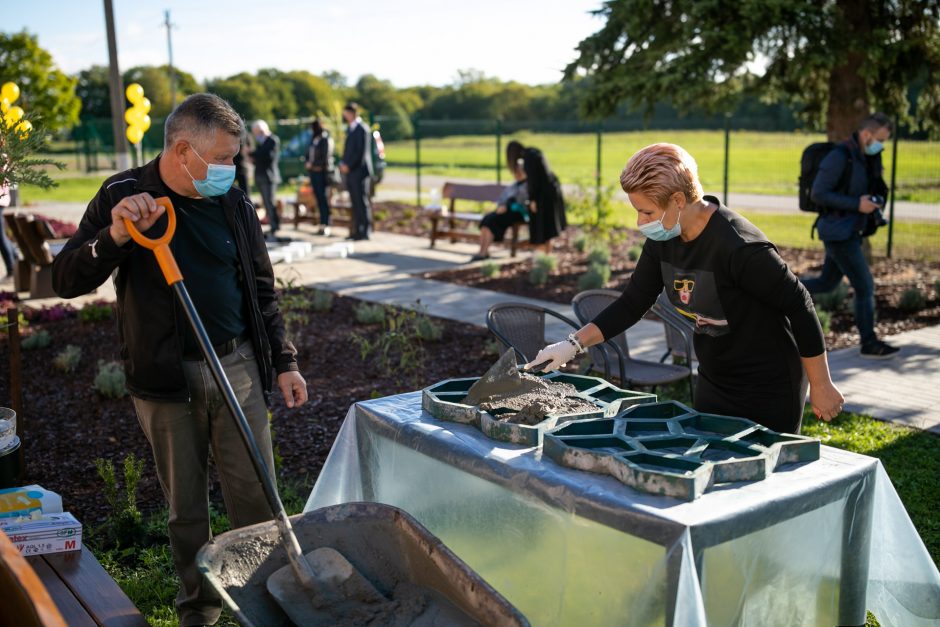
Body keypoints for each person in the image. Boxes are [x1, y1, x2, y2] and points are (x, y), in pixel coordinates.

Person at [51, 93, 308, 627]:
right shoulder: (124, 194)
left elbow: (260, 286)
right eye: (222, 159)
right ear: (183, 150)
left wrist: (284, 360)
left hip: (235, 366)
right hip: (164, 380)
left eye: (235, 158)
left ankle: (262, 604)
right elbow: (67, 277)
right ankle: (201, 608)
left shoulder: (233, 201)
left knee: (256, 499)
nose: (230, 169)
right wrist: (116, 236)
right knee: (186, 511)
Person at [525, 143, 844, 434]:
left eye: (647, 212)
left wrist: (822, 383)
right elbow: (633, 302)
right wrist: (572, 344)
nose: (640, 222)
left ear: (678, 201)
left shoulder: (738, 246)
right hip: (715, 377)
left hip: (768, 383)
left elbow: (799, 303)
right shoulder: (663, 240)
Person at [800, 113, 898, 359]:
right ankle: (869, 343)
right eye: (880, 140)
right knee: (865, 285)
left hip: (848, 231)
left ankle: (781, 289)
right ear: (867, 135)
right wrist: (857, 204)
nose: (881, 146)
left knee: (827, 283)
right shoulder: (839, 157)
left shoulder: (863, 158)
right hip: (838, 233)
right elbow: (819, 194)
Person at [471, 145, 529, 261]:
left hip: (517, 214)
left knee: (492, 222)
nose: (517, 174)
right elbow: (502, 198)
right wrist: (501, 206)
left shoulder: (527, 186)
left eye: (519, 171)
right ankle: (483, 251)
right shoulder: (513, 185)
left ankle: (484, 252)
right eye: (516, 171)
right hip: (504, 212)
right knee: (487, 220)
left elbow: (522, 202)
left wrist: (507, 206)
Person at [513, 140, 566, 255]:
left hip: (542, 196)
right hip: (551, 191)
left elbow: (533, 180)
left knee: (541, 230)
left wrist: (533, 199)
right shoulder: (533, 152)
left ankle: (541, 258)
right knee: (548, 230)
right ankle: (547, 257)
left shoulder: (528, 158)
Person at [339, 102, 373, 241]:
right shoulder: (351, 129)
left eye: (346, 113)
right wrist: (343, 163)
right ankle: (356, 230)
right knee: (354, 202)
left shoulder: (362, 129)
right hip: (351, 172)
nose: (344, 116)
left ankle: (365, 230)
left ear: (352, 113)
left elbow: (361, 153)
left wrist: (349, 165)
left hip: (359, 171)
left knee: (361, 201)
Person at [249, 119, 281, 240]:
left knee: (270, 202)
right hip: (260, 175)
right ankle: (273, 225)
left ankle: (275, 226)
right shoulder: (261, 142)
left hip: (269, 176)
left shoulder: (272, 140)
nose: (257, 135)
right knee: (266, 203)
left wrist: (254, 155)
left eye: (258, 132)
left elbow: (267, 157)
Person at [304, 117, 335, 237]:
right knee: (318, 198)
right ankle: (321, 223)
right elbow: (308, 154)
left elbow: (325, 157)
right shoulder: (313, 139)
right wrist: (307, 162)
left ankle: (326, 223)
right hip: (313, 173)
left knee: (324, 199)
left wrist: (314, 164)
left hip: (322, 174)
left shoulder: (325, 139)